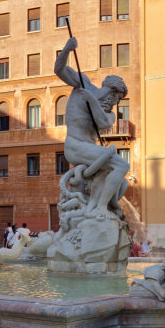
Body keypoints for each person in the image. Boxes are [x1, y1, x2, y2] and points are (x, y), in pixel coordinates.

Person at [54, 37, 129, 221]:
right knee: (122, 165)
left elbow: (102, 122)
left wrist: (92, 100)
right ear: (112, 91)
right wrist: (67, 50)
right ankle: (99, 208)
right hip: (75, 146)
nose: (117, 103)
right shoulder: (83, 84)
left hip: (89, 153)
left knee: (124, 182)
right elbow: (59, 69)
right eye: (117, 97)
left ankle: (106, 207)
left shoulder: (109, 114)